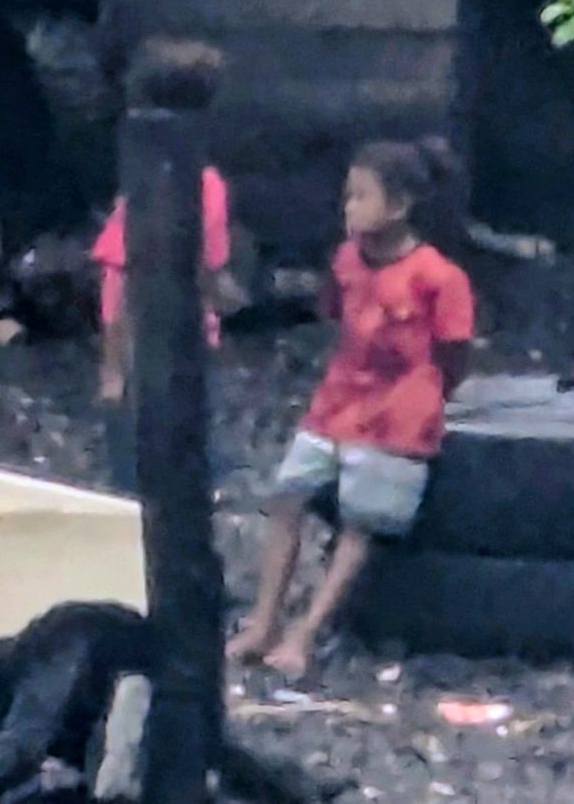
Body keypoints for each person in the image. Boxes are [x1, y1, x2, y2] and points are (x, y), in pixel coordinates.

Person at [227, 139, 473, 679]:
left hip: (397, 414)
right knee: (287, 495)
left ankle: (305, 631)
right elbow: (334, 312)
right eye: (347, 197)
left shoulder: (438, 277)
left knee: (362, 522)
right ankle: (263, 619)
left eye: (360, 197)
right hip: (338, 401)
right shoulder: (345, 260)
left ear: (399, 206)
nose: (348, 209)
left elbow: (455, 351)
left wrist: (430, 397)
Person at [91, 38, 235, 492]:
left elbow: (116, 279)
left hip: (152, 340)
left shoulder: (149, 179)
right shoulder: (205, 183)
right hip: (172, 339)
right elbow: (206, 271)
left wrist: (111, 364)